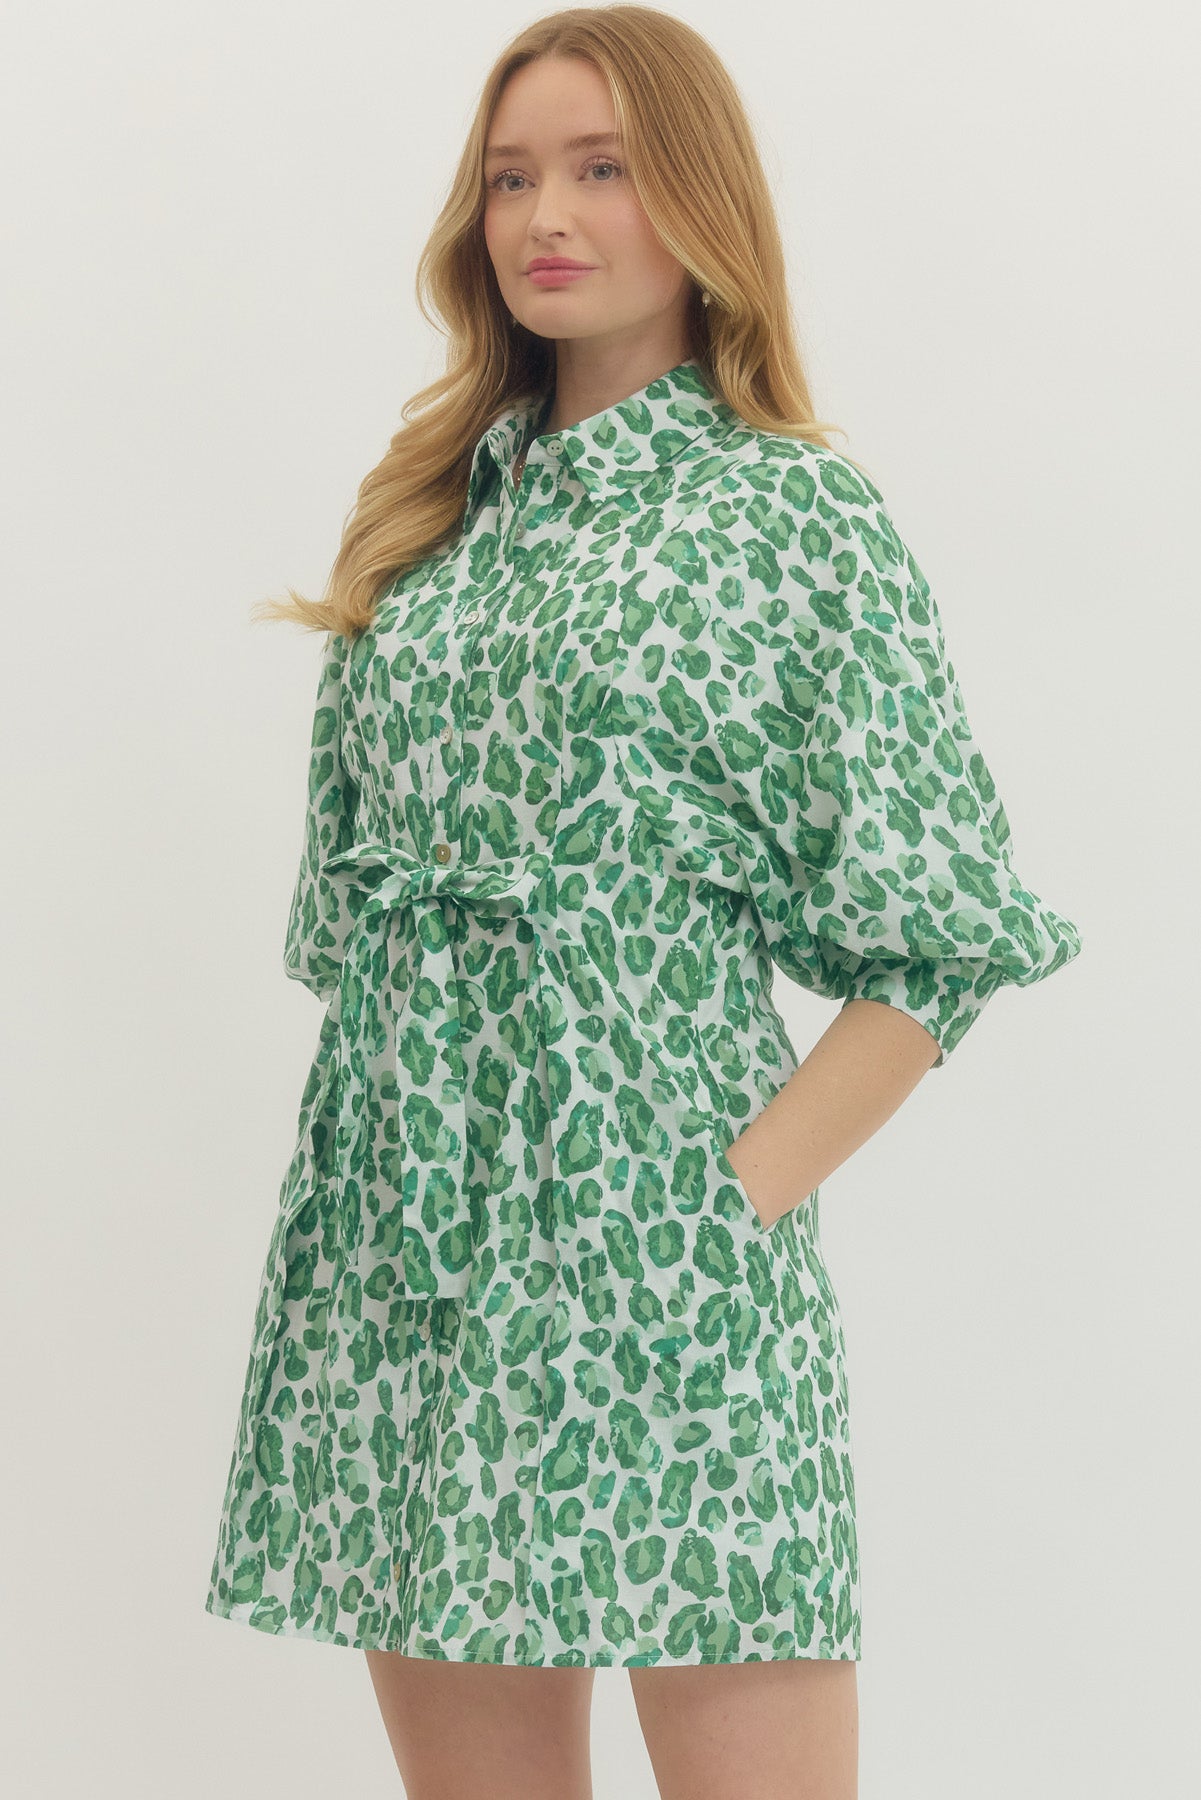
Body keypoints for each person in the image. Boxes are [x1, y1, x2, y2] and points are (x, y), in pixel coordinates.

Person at [203, 8, 1083, 1796]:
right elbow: (351, 932)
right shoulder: (434, 524)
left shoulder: (791, 516)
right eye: (509, 177)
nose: (545, 215)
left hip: (661, 1260)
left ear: (698, 199)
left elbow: (941, 934)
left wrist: (724, 1199)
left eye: (602, 168)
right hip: (407, 1266)